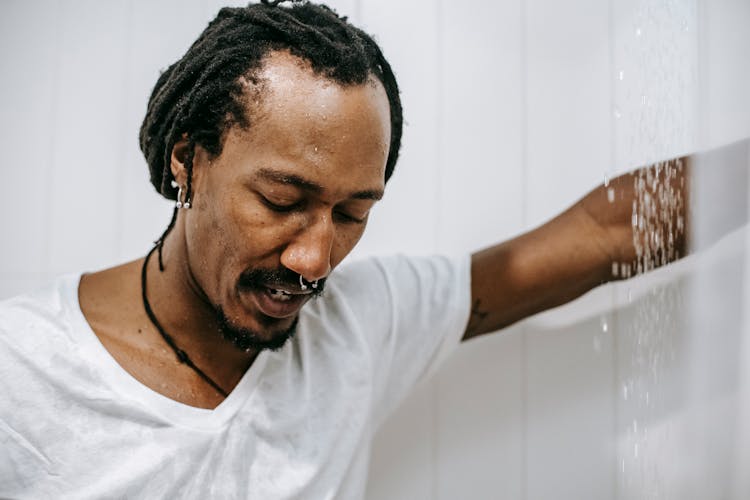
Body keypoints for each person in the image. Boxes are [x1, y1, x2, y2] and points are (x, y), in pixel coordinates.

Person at [0, 1, 688, 498]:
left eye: (353, 212)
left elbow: (605, 234)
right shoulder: (20, 371)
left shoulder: (360, 324)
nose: (315, 261)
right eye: (280, 201)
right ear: (188, 160)